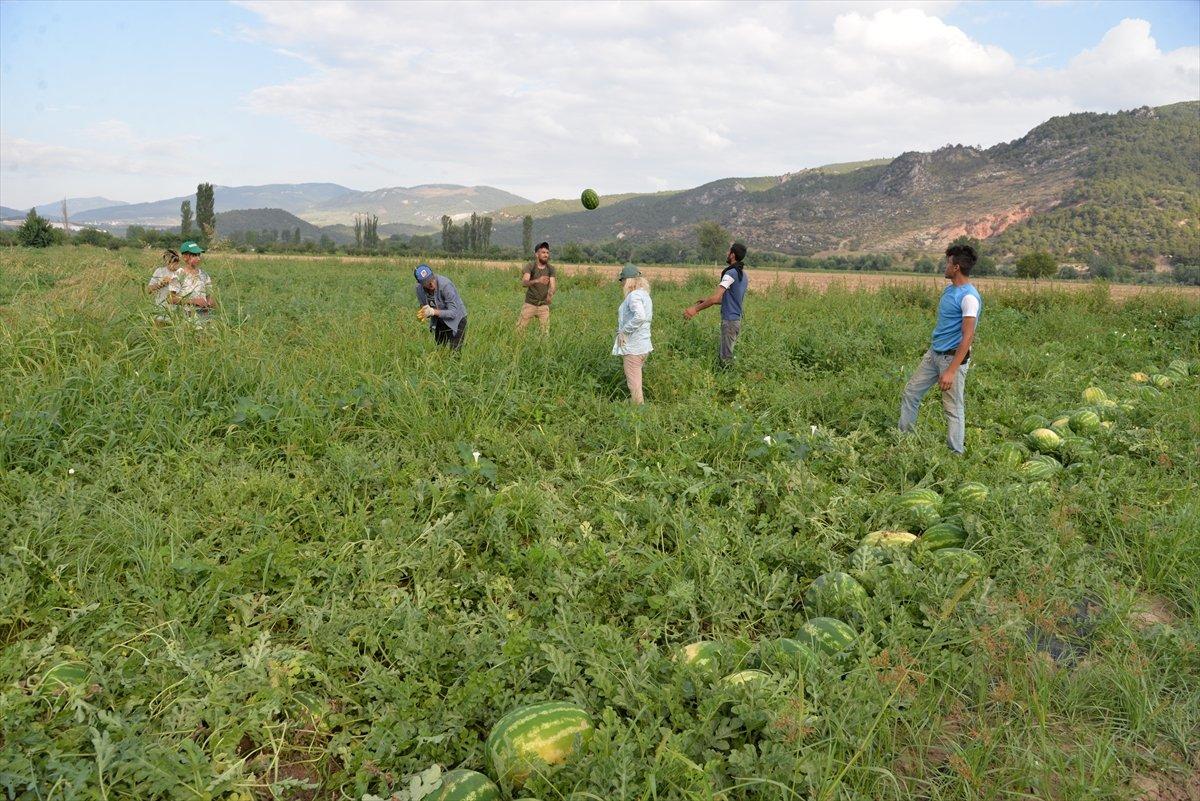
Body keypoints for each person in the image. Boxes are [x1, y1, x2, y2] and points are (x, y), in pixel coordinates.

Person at [898, 243, 983, 454]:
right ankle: (903, 443)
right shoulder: (950, 290)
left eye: (948, 262)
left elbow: (968, 336)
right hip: (934, 354)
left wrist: (952, 370)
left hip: (951, 359)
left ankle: (955, 454)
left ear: (956, 267)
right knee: (911, 393)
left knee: (953, 408)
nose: (944, 266)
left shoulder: (969, 297)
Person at [683, 241, 748, 366]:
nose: (727, 253)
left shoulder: (730, 273)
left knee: (725, 359)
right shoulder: (743, 275)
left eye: (728, 251)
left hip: (729, 321)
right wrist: (706, 301)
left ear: (733, 255)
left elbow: (715, 298)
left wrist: (695, 309)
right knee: (727, 354)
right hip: (736, 320)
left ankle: (729, 381)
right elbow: (729, 299)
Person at [612, 263, 653, 404]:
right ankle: (637, 409)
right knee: (636, 381)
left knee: (634, 386)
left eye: (622, 281)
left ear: (627, 281)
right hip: (643, 346)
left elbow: (640, 316)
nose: (622, 284)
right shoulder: (644, 295)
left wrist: (624, 331)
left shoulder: (634, 296)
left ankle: (639, 415)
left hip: (633, 348)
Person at [415, 263, 468, 350]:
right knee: (439, 348)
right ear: (421, 284)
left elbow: (453, 312)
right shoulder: (419, 289)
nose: (431, 284)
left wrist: (432, 311)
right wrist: (424, 312)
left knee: (455, 351)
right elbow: (424, 305)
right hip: (439, 319)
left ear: (433, 275)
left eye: (431, 279)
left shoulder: (445, 285)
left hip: (457, 319)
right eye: (426, 283)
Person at [168, 241, 216, 321]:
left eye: (199, 255)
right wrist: (193, 302)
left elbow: (209, 296)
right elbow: (171, 299)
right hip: (186, 317)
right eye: (194, 255)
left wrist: (210, 303)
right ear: (185, 257)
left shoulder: (204, 275)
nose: (198, 258)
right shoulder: (179, 274)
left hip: (204, 316)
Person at [517, 241, 556, 333]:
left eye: (547, 252)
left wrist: (550, 294)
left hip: (543, 306)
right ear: (536, 254)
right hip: (530, 304)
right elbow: (524, 282)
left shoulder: (550, 268)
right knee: (519, 331)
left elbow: (553, 285)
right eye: (543, 252)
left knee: (545, 334)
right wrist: (538, 280)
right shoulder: (531, 266)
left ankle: (543, 347)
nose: (546, 255)